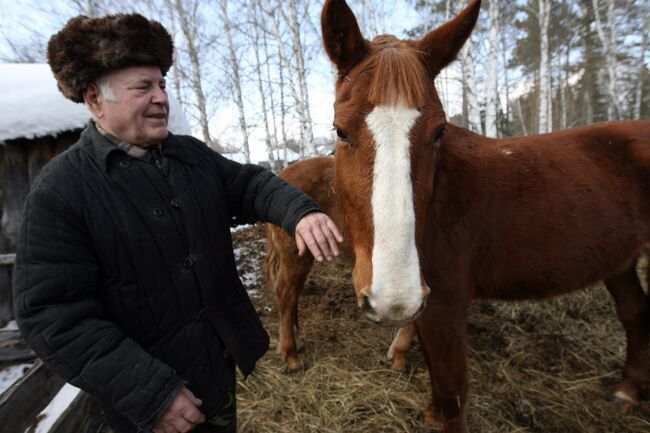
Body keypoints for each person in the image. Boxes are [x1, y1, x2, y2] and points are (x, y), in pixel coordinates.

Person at [13, 13, 342, 433]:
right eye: (142, 87)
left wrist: (301, 211)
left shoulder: (190, 156)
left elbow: (251, 184)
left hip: (215, 376)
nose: (160, 98)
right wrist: (150, 393)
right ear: (95, 99)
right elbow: (51, 316)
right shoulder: (61, 190)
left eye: (162, 85)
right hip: (147, 412)